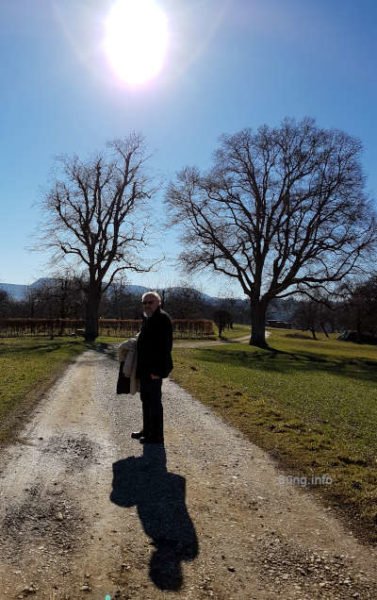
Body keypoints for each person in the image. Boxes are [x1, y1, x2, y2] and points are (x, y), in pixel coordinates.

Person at [132, 291, 173, 444]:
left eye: (151, 302)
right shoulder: (148, 318)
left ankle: (156, 436)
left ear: (159, 303)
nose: (147, 305)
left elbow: (165, 347)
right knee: (146, 400)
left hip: (154, 370)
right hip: (144, 368)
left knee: (154, 402)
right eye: (145, 303)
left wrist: (158, 371)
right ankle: (147, 430)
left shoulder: (162, 319)